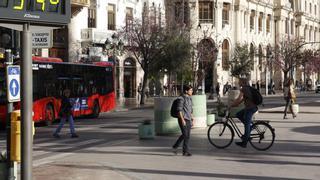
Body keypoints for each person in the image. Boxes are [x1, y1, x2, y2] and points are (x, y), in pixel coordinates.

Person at [230, 78, 258, 148]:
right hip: (250, 108)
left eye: (239, 82)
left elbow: (239, 98)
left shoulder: (244, 89)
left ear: (242, 82)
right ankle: (251, 127)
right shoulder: (247, 88)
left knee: (247, 125)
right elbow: (241, 100)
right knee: (238, 114)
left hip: (250, 108)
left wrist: (231, 105)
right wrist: (235, 104)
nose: (238, 83)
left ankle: (244, 142)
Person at [172, 85, 194, 156]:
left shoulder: (190, 98)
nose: (192, 91)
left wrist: (192, 118)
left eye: (191, 90)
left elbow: (191, 109)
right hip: (183, 119)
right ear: (186, 91)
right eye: (190, 90)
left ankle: (181, 149)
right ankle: (180, 148)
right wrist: (182, 120)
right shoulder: (181, 99)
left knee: (187, 135)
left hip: (188, 119)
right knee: (185, 134)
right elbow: (179, 110)